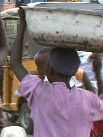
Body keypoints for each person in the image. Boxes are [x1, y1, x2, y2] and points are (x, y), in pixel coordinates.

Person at [9, 8, 103, 137]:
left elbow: (15, 63)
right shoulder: (89, 99)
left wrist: (23, 24)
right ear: (75, 71)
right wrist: (97, 72)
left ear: (49, 69)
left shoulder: (40, 92)